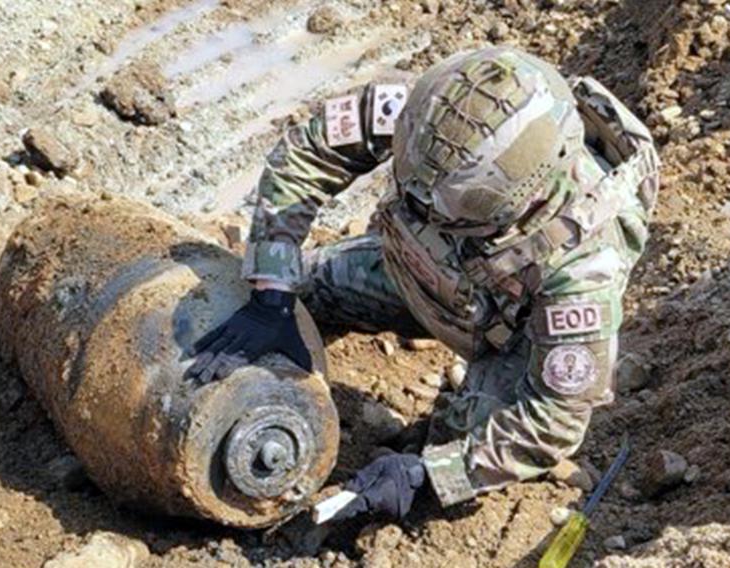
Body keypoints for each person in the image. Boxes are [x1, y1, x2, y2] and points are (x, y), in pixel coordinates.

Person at [188, 46, 659, 520]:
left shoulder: (583, 264)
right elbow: (309, 150)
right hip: (410, 268)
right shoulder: (434, 115)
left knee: (450, 456)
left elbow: (554, 419)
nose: (422, 207)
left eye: (444, 209)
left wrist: (430, 476)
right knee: (294, 289)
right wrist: (272, 292)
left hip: (504, 329)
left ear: (520, 203)